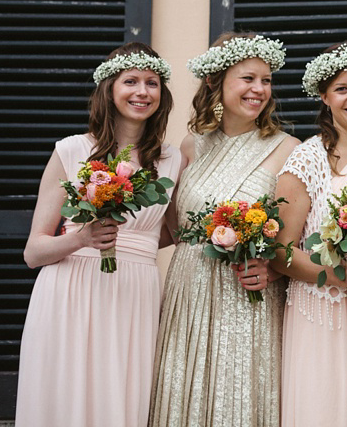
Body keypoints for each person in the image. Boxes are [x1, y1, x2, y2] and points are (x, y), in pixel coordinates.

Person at [15, 43, 182, 427]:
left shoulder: (172, 159)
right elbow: (33, 251)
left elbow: (175, 231)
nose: (143, 91)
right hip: (71, 289)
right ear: (109, 89)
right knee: (65, 399)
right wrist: (82, 238)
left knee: (121, 400)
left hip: (135, 293)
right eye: (131, 81)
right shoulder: (72, 151)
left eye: (152, 83)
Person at [149, 33, 299, 427]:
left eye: (266, 80)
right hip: (189, 290)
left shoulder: (289, 149)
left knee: (240, 397)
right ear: (217, 81)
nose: (259, 89)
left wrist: (272, 268)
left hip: (247, 296)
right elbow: (171, 228)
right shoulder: (190, 146)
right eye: (248, 78)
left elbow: (294, 240)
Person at [272, 41, 347, 427]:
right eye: (342, 89)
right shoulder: (308, 160)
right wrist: (335, 274)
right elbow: (279, 253)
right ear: (325, 97)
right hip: (322, 315)